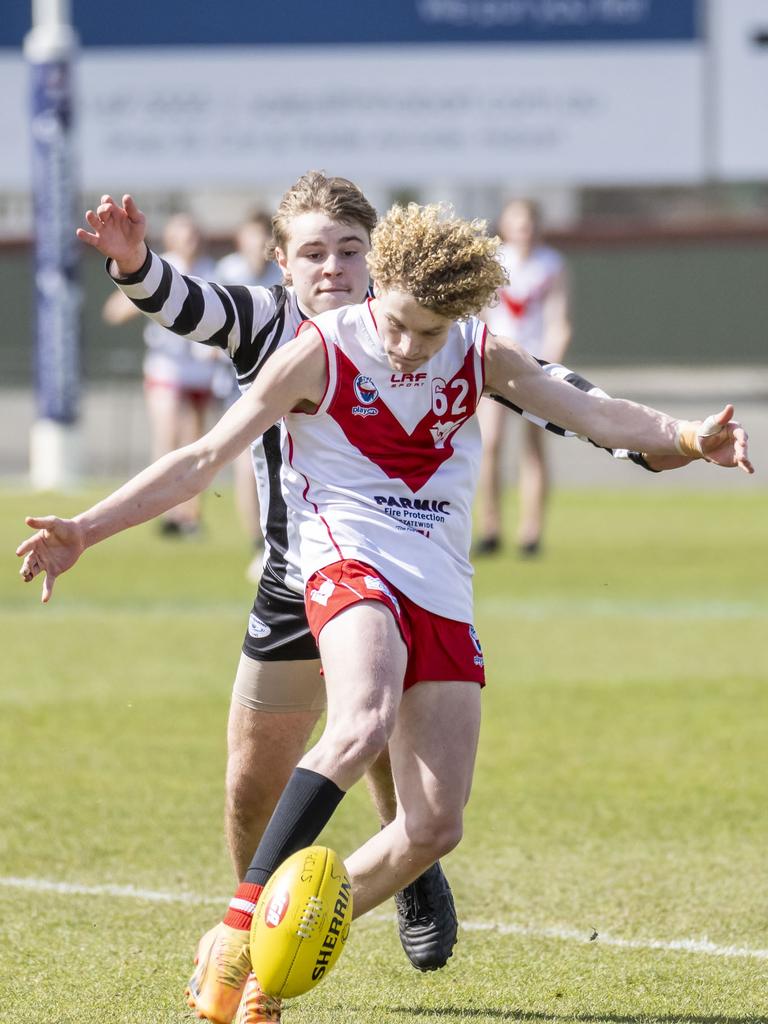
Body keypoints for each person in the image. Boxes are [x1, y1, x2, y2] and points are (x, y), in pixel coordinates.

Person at [18, 200, 752, 1024]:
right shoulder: (317, 348)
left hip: (438, 586)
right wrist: (85, 527)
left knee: (435, 826)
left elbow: (592, 411)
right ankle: (236, 933)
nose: (409, 346)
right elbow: (199, 458)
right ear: (383, 288)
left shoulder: (479, 350)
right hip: (341, 563)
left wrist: (689, 438)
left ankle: (275, 962)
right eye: (399, 326)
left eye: (430, 335)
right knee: (359, 721)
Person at [102, 212, 219, 536]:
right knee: (167, 437)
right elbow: (114, 310)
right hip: (166, 367)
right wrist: (149, 300)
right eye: (184, 234)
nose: (190, 240)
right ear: (171, 239)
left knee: (197, 446)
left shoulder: (212, 271)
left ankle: (190, 516)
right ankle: (164, 512)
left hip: (200, 370)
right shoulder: (158, 267)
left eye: (194, 233)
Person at [478, 198, 572, 557]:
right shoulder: (494, 261)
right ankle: (490, 527)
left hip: (534, 365)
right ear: (504, 225)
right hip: (496, 360)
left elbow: (558, 321)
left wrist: (550, 368)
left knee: (533, 446)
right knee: (490, 445)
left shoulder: (550, 265)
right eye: (517, 223)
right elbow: (483, 315)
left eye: (529, 223)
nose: (524, 230)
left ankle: (530, 533)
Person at [213, 211, 283, 583]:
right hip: (240, 387)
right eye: (254, 239)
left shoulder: (284, 278)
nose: (260, 248)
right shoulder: (228, 273)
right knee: (248, 465)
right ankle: (259, 546)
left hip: (284, 388)